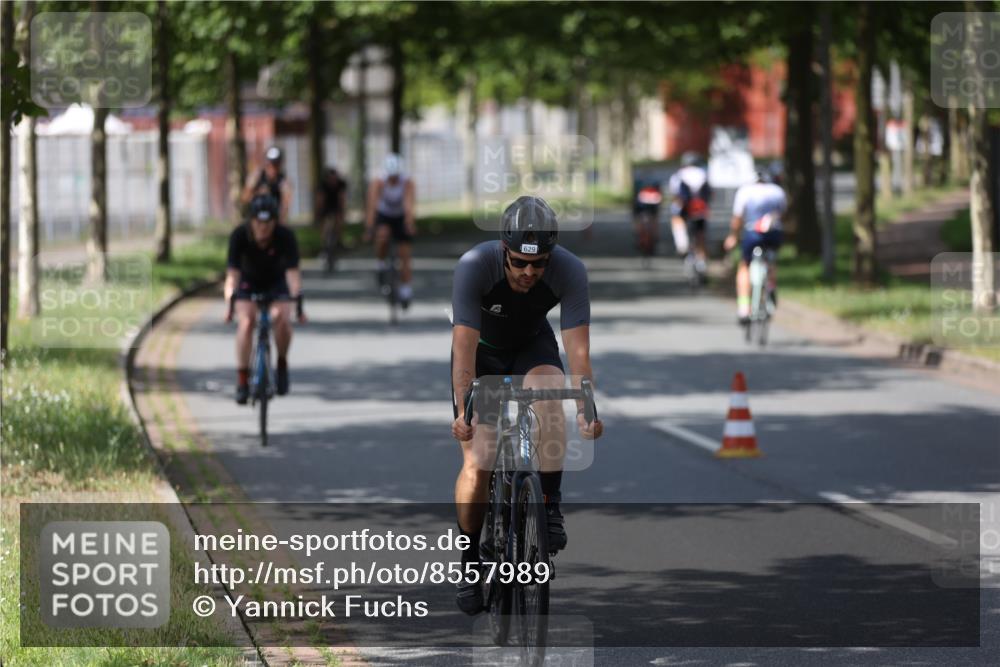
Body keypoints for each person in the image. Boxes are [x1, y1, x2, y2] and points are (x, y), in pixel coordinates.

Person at [449, 195, 604, 615]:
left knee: (552, 397)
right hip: (483, 354)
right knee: (478, 461)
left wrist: (586, 407)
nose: (529, 272)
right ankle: (469, 561)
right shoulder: (474, 266)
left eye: (538, 264)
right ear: (504, 251)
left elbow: (579, 352)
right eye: (519, 263)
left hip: (532, 346)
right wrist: (464, 410)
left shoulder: (569, 271)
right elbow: (462, 348)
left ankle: (549, 505)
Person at [224, 194, 305, 404]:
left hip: (276, 283)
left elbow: (293, 275)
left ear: (275, 222)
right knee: (247, 322)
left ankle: (282, 364)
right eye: (258, 223)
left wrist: (297, 298)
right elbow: (232, 275)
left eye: (268, 223)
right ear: (251, 221)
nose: (263, 228)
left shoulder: (285, 237)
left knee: (281, 318)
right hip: (248, 283)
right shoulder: (239, 236)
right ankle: (242, 379)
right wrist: (229, 301)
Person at [723, 165, 786, 325]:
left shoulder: (745, 191)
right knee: (771, 258)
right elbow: (783, 214)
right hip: (774, 233)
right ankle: (771, 284)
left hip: (753, 233)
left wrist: (733, 237)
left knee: (744, 265)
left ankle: (744, 308)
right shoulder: (777, 191)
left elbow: (737, 219)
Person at [365, 153, 416, 307]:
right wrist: (369, 228)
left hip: (400, 216)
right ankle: (381, 264)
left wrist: (409, 223)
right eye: (390, 177)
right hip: (384, 214)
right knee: (382, 236)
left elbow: (409, 204)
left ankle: (406, 290)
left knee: (404, 254)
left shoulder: (407, 182)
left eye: (395, 177)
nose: (392, 180)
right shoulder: (378, 181)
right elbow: (372, 205)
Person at [668, 151, 712, 280]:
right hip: (700, 209)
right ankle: (702, 261)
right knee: (700, 234)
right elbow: (709, 193)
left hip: (685, 209)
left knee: (676, 220)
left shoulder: (678, 175)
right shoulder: (704, 174)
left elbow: (675, 195)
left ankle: (682, 244)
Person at [242, 146, 293, 225]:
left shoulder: (283, 181)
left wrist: (281, 221)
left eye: (276, 164)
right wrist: (258, 194)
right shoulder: (256, 177)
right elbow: (244, 197)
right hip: (256, 219)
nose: (273, 168)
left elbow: (286, 204)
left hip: (273, 220)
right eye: (270, 164)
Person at [317, 165, 348, 266]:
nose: (333, 181)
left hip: (336, 206)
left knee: (338, 223)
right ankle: (324, 245)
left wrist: (342, 213)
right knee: (325, 225)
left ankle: (339, 240)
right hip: (326, 206)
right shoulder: (323, 185)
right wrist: (319, 213)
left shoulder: (341, 184)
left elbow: (342, 199)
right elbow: (320, 200)